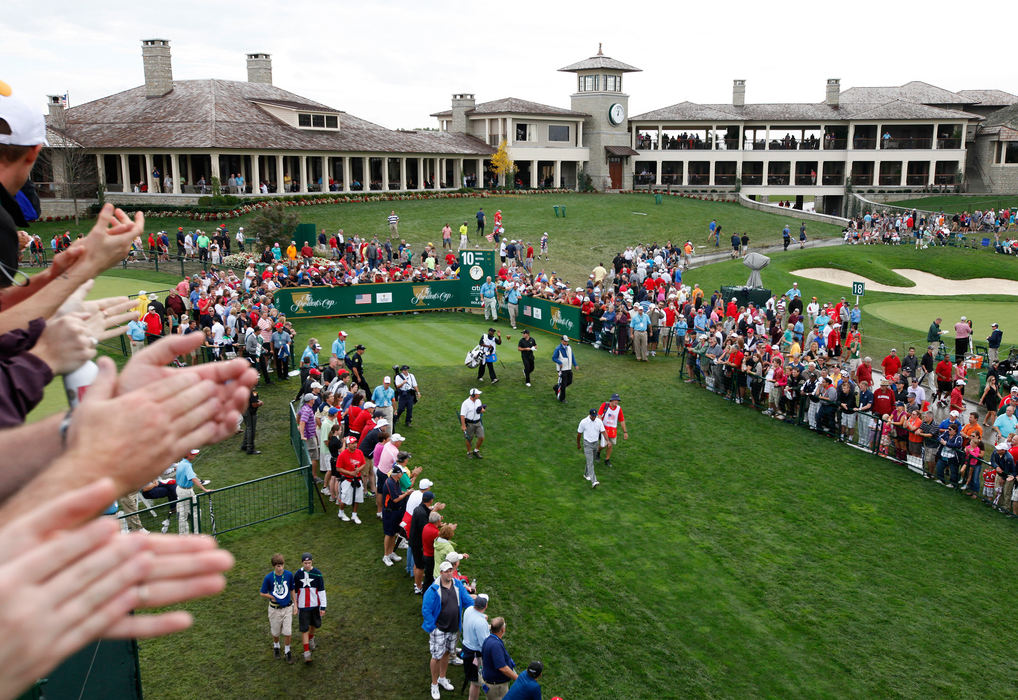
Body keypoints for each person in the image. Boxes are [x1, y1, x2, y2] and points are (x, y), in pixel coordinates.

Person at [422, 560, 475, 700]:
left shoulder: (457, 584)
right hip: (438, 629)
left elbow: (466, 600)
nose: (450, 573)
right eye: (446, 571)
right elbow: (426, 610)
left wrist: (477, 608)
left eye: (451, 570)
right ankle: (434, 684)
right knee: (436, 657)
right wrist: (433, 627)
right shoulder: (433, 589)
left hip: (453, 628)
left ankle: (442, 678)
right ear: (441, 573)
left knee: (446, 653)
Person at [259, 553, 295, 664]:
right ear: (274, 566)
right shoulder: (269, 577)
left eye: (281, 565)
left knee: (288, 632)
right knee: (275, 632)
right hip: (274, 609)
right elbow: (262, 593)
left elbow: (292, 590)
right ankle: (276, 646)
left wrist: (296, 605)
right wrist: (271, 597)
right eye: (277, 566)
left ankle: (287, 651)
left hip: (287, 608)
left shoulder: (289, 575)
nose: (280, 568)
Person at [293, 552, 326, 664]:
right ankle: (306, 653)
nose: (307, 565)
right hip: (303, 607)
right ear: (302, 563)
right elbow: (295, 592)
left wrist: (323, 606)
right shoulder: (297, 574)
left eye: (309, 563)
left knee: (315, 625)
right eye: (305, 563)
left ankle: (311, 638)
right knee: (304, 629)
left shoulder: (317, 574)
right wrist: (296, 605)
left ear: (312, 562)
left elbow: (321, 591)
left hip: (315, 605)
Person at [174, 449, 210, 534]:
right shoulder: (187, 466)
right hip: (186, 492)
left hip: (179, 489)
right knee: (196, 512)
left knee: (183, 513)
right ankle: (196, 534)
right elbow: (193, 479)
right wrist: (204, 489)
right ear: (188, 455)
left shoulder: (181, 463)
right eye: (193, 454)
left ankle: (183, 535)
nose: (195, 455)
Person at [481, 616, 518, 699]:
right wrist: (517, 678)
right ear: (502, 630)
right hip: (497, 687)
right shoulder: (495, 645)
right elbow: (502, 667)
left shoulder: (489, 639)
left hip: (491, 682)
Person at [462, 594, 491, 700]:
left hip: (466, 648)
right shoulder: (481, 623)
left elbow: (477, 618)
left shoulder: (468, 610)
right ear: (486, 605)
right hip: (475, 655)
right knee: (476, 683)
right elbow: (485, 644)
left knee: (474, 680)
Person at [335, 435, 366, 523]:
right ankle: (341, 513)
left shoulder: (359, 452)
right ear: (348, 444)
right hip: (347, 480)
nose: (354, 445)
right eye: (352, 443)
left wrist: (358, 469)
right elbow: (338, 468)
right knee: (345, 498)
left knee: (357, 498)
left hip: (357, 479)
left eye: (355, 443)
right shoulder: (342, 455)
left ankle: (354, 515)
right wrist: (350, 473)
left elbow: (363, 463)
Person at [577, 408, 606, 489]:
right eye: (593, 416)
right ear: (590, 415)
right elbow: (579, 434)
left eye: (595, 416)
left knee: (591, 460)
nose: (594, 417)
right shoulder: (583, 422)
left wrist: (608, 441)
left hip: (595, 443)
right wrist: (578, 444)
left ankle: (586, 474)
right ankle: (594, 481)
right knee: (590, 462)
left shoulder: (599, 421)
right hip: (587, 444)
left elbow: (603, 431)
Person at [597, 393, 628, 467]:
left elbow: (622, 420)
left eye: (618, 400)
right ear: (611, 400)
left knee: (610, 445)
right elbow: (599, 415)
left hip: (613, 431)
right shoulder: (605, 405)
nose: (616, 402)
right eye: (615, 400)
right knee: (603, 445)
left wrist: (625, 432)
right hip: (604, 429)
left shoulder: (618, 409)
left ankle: (607, 459)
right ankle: (598, 451)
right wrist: (600, 426)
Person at [460, 388, 486, 458]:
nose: (479, 395)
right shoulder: (465, 403)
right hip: (469, 424)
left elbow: (479, 410)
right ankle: (469, 452)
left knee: (481, 437)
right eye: (478, 394)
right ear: (473, 395)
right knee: (469, 439)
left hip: (478, 422)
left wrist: (482, 410)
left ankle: (476, 450)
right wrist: (463, 425)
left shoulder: (478, 401)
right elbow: (462, 415)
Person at [552, 335, 577, 403]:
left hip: (568, 368)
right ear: (562, 341)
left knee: (569, 381)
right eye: (565, 341)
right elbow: (553, 358)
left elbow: (572, 356)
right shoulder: (558, 349)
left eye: (567, 341)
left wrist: (575, 364)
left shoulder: (569, 347)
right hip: (562, 369)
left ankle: (557, 387)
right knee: (564, 383)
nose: (566, 342)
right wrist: (559, 362)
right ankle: (562, 398)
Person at [240, 387, 262, 455]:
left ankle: (245, 445)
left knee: (248, 428)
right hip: (250, 412)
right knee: (251, 429)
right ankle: (250, 449)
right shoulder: (252, 391)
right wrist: (260, 403)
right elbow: (254, 404)